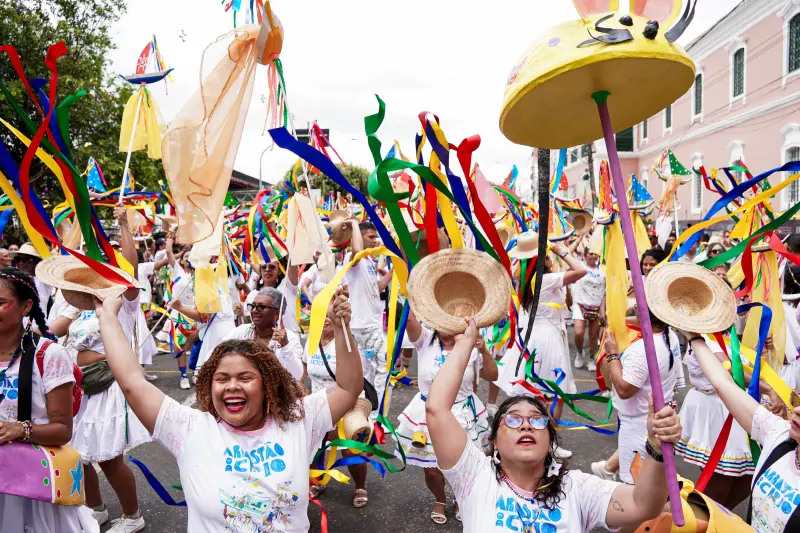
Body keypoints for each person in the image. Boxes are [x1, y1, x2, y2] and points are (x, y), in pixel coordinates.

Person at [97, 287, 363, 532]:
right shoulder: (190, 428)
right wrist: (106, 314)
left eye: (245, 378)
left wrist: (341, 327)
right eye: (221, 379)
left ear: (267, 384)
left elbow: (348, 388)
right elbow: (132, 383)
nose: (231, 386)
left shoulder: (298, 420)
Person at [427, 318, 684, 532]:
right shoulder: (474, 475)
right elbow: (437, 409)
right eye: (513, 419)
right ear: (493, 440)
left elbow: (643, 506)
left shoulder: (578, 489)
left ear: (550, 440)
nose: (526, 425)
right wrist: (467, 344)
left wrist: (657, 447)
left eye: (537, 420)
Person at [68, 208, 149, 532]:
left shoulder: (121, 304)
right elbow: (52, 330)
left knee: (108, 458)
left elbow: (130, 271)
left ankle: (133, 516)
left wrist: (124, 226)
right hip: (81, 389)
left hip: (108, 387)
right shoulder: (80, 311)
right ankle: (96, 508)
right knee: (77, 454)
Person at [0, 268, 96, 532]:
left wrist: (20, 429)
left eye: (0, 302)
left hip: (34, 483)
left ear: (26, 306)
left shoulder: (49, 355)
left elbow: (62, 429)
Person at [688, 333, 800, 532]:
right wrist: (694, 337)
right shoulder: (779, 435)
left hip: (728, 418)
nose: (797, 410)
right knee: (722, 480)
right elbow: (723, 382)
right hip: (716, 414)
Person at [395, 308, 498, 524]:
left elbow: (492, 375)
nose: (444, 328)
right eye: (440, 322)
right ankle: (440, 500)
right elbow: (407, 315)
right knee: (432, 469)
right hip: (427, 413)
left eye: (449, 322)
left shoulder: (469, 343)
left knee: (465, 465)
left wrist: (484, 351)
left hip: (464, 413)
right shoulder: (424, 339)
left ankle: (462, 500)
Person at [496, 235, 587, 458]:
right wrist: (561, 251)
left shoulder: (526, 278)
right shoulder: (545, 280)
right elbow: (581, 270)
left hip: (534, 338)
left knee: (531, 393)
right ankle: (549, 443)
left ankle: (519, 439)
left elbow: (565, 301)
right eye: (546, 256)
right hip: (548, 340)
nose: (550, 258)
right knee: (554, 392)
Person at [676, 335, 783, 510]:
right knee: (721, 479)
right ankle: (703, 522)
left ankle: (719, 519)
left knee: (745, 480)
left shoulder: (722, 334)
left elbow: (734, 361)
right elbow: (730, 369)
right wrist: (769, 389)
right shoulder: (703, 336)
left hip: (731, 407)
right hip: (716, 410)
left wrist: (756, 350)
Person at [604, 310, 681, 484]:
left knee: (636, 484)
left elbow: (624, 390)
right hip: (655, 418)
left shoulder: (641, 350)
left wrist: (612, 354)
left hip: (638, 424)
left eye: (637, 307)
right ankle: (608, 468)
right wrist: (616, 321)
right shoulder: (670, 335)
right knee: (652, 480)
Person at [303, 307, 370, 507]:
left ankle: (360, 486)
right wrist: (302, 388)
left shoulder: (345, 343)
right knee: (316, 447)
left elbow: (354, 376)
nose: (324, 320)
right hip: (319, 403)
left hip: (347, 403)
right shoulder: (311, 342)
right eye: (320, 315)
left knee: (351, 451)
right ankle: (317, 481)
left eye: (328, 315)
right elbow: (305, 370)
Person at [346, 220, 393, 420]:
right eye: (371, 237)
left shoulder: (368, 263)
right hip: (366, 326)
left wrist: (394, 271)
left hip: (367, 324)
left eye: (376, 237)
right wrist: (353, 224)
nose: (375, 241)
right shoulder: (354, 259)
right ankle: (377, 417)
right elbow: (356, 250)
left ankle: (364, 413)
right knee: (384, 368)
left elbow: (376, 290)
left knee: (368, 370)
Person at [222, 287, 303, 380]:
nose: (254, 311)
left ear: (276, 313)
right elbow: (216, 353)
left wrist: (285, 346)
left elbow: (297, 375)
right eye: (252, 306)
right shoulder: (241, 332)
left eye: (261, 307)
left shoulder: (289, 339)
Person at [572, 246, 605, 372]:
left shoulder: (603, 270)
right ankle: (580, 353)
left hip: (596, 307)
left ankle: (591, 359)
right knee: (578, 332)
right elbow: (567, 253)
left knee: (593, 336)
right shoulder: (580, 266)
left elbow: (605, 292)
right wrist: (580, 236)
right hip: (580, 304)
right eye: (590, 253)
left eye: (595, 253)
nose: (592, 256)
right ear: (585, 255)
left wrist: (602, 310)